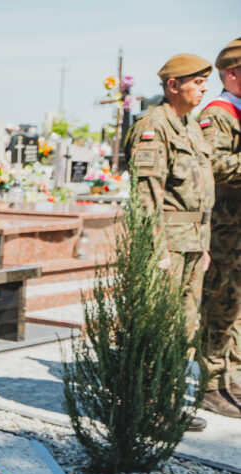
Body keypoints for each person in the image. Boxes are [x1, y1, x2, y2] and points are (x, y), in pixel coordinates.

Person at [124, 53, 215, 432]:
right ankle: (149, 409)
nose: (204, 89)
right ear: (173, 86)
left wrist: (204, 246)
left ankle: (170, 402)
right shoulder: (154, 126)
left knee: (185, 327)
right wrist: (155, 251)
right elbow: (147, 197)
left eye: (205, 82)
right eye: (197, 82)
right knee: (159, 326)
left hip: (193, 244)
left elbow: (199, 193)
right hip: (168, 247)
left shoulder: (190, 126)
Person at [198, 39, 241, 418]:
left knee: (236, 309)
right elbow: (213, 164)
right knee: (219, 306)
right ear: (231, 74)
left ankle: (232, 376)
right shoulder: (218, 113)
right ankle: (211, 386)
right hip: (225, 232)